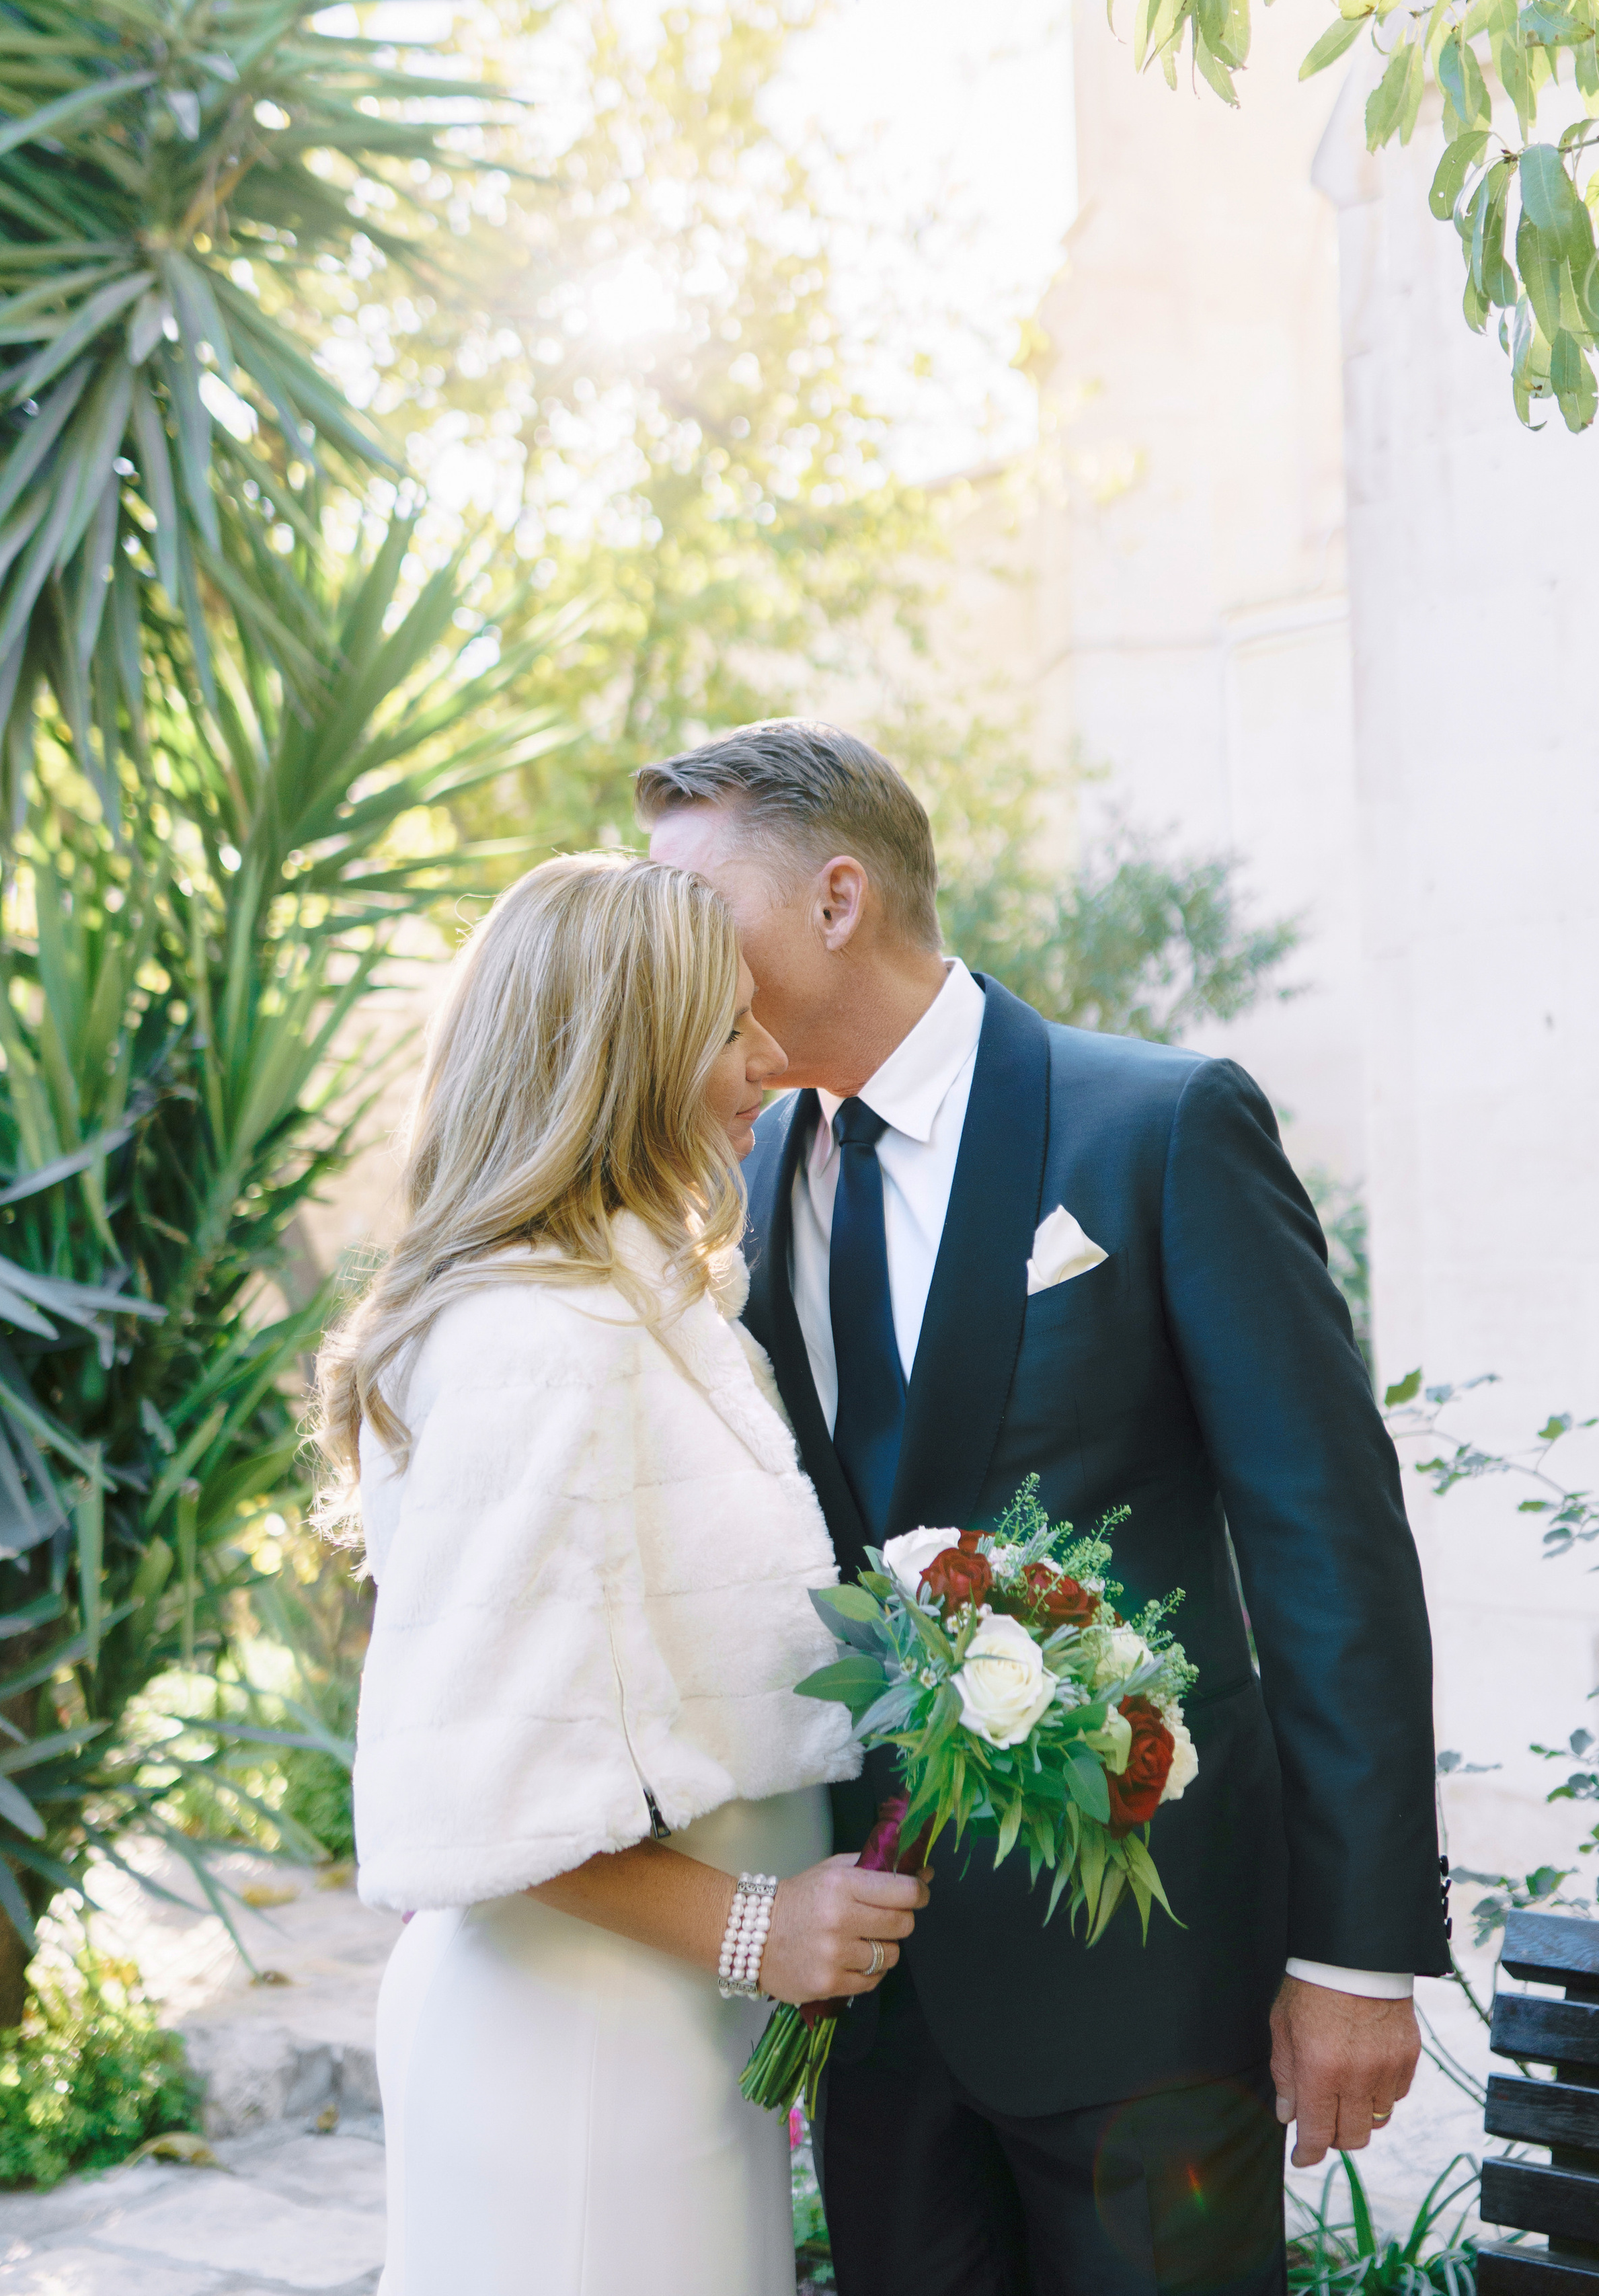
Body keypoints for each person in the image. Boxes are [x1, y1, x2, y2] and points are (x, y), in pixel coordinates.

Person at [641, 723, 1452, 2296]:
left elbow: (1328, 1549)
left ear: (833, 898)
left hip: (1144, 1984)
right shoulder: (717, 1186)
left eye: (689, 901)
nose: (654, 946)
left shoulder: (1156, 1128)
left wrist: (1353, 1954)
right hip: (864, 1991)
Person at [313, 853, 930, 2296]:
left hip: (657, 2043)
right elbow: (474, 1797)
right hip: (574, 2061)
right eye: (725, 1030)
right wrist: (757, 1927)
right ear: (621, 1059)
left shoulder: (634, 1300)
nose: (768, 1061)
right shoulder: (538, 1342)